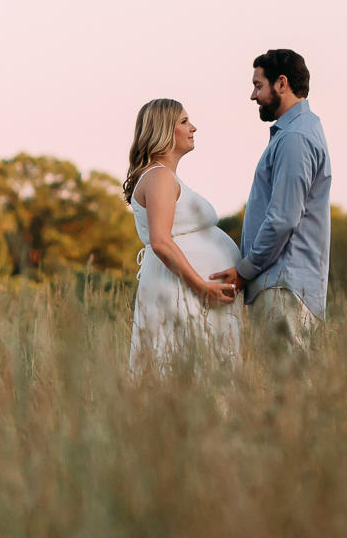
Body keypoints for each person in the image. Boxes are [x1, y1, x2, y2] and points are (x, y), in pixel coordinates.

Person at [211, 49, 332, 354]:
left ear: (282, 83)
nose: (254, 95)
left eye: (258, 85)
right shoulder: (299, 132)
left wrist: (245, 269)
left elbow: (282, 219)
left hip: (283, 285)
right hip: (287, 284)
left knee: (288, 389)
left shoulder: (295, 138)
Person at [125, 98, 243, 371]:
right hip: (180, 290)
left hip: (184, 290)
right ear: (164, 130)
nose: (193, 127)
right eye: (184, 122)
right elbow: (161, 241)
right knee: (181, 366)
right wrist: (201, 287)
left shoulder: (164, 176)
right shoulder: (159, 177)